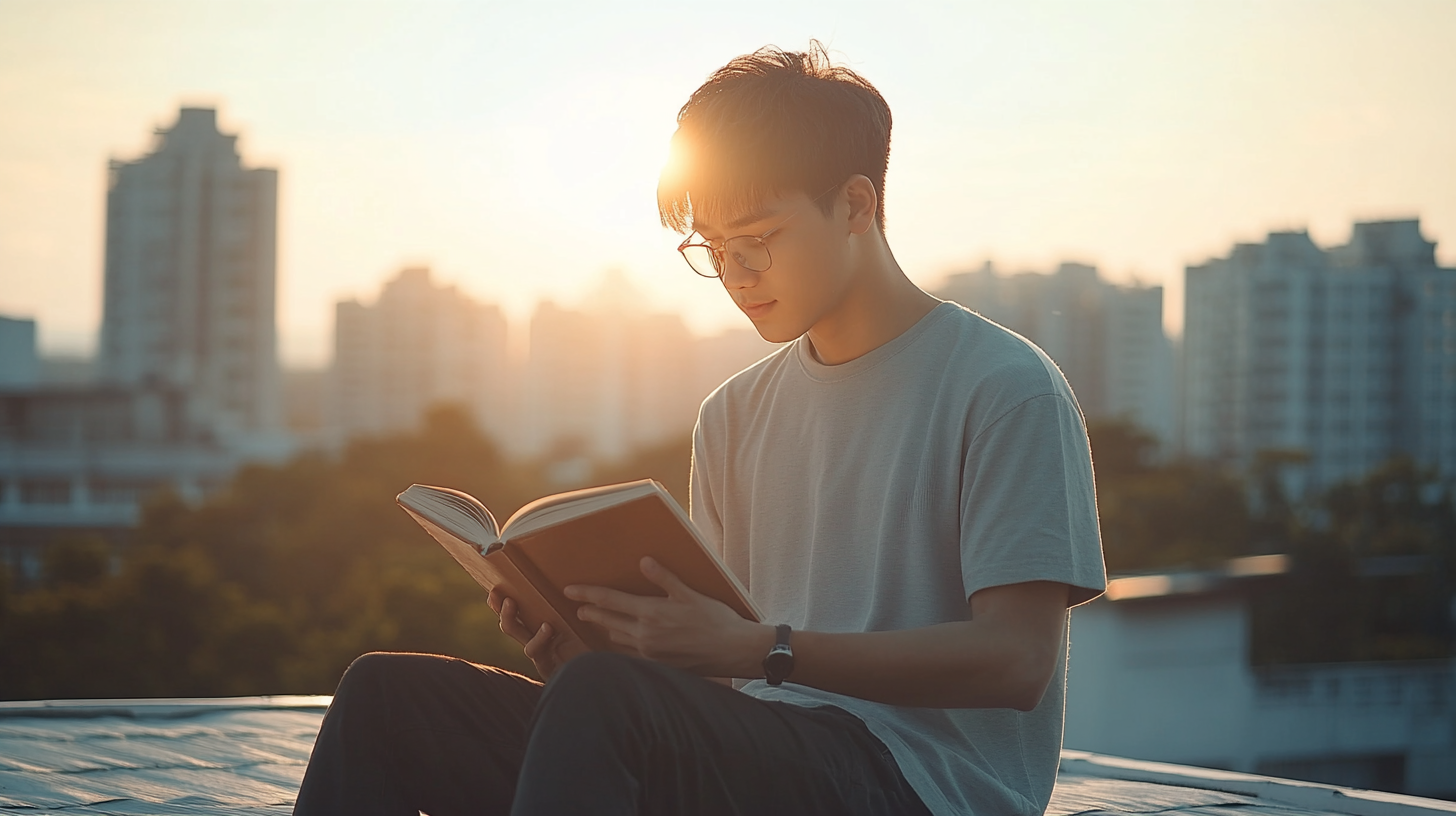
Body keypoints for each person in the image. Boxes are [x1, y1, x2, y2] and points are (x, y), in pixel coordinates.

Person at [293, 43, 1106, 816]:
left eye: (757, 240)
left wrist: (766, 650)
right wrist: (573, 654)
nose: (736, 277)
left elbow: (1017, 660)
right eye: (712, 248)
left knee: (609, 703)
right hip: (760, 758)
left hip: (917, 786)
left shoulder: (1003, 387)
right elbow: (716, 693)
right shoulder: (735, 414)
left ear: (856, 204)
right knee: (388, 695)